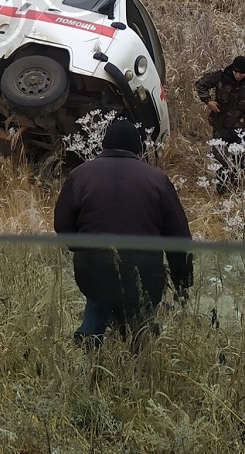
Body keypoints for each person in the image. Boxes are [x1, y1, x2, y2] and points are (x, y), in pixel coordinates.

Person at [53, 119, 193, 348]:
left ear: (103, 148)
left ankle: (88, 350)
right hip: (144, 270)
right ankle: (138, 360)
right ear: (138, 152)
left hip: (93, 268)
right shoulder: (157, 179)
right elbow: (178, 237)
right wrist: (182, 281)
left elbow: (62, 225)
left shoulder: (80, 175)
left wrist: (84, 251)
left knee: (98, 301)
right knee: (140, 321)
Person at [194, 55, 245, 193]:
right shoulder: (220, 77)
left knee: (238, 160)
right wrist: (208, 101)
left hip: (239, 129)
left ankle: (236, 190)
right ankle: (221, 189)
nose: (238, 75)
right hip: (220, 125)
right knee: (220, 157)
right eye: (236, 71)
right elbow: (200, 84)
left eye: (241, 73)